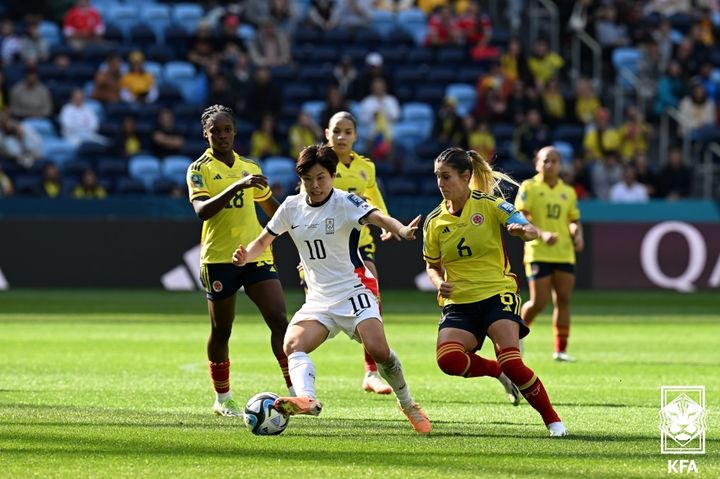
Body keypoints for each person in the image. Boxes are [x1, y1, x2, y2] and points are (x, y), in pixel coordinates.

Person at [232, 144, 432, 434]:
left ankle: (408, 404)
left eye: (321, 178)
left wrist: (400, 229)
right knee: (292, 345)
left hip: (355, 289)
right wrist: (245, 256)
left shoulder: (345, 202)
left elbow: (378, 218)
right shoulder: (290, 207)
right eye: (308, 179)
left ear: (333, 176)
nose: (315, 185)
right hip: (319, 299)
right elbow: (263, 241)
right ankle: (306, 397)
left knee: (379, 351)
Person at [423, 146, 568, 437]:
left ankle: (554, 421)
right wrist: (439, 283)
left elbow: (526, 227)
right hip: (460, 302)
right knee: (447, 360)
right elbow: (432, 266)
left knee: (513, 361)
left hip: (496, 294)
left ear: (466, 176)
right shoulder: (434, 222)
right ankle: (495, 372)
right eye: (438, 177)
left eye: (447, 177)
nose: (441, 183)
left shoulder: (490, 205)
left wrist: (521, 231)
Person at [186, 104, 293, 417]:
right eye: (215, 131)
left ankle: (295, 393)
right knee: (222, 331)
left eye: (227, 130)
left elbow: (273, 210)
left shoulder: (250, 166)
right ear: (205, 134)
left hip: (256, 254)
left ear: (234, 131)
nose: (222, 135)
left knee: (279, 320)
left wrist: (297, 215)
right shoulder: (199, 168)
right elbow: (202, 211)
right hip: (219, 258)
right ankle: (223, 398)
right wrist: (237, 185)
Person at [320, 111, 395, 394]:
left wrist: (387, 223)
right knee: (319, 312)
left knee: (373, 298)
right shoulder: (319, 163)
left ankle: (371, 372)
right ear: (327, 133)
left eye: (347, 131)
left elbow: (373, 196)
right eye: (336, 131)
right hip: (325, 246)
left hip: (359, 242)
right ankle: (298, 372)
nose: (341, 137)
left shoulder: (365, 167)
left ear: (355, 135)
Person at [514, 146, 584, 363]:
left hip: (563, 252)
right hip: (539, 251)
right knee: (539, 302)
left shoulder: (568, 191)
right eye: (545, 161)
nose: (549, 165)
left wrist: (577, 233)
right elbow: (522, 215)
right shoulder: (529, 187)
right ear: (537, 163)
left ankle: (560, 350)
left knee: (563, 300)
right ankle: (517, 334)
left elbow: (573, 219)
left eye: (554, 161)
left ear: (560, 164)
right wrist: (542, 234)